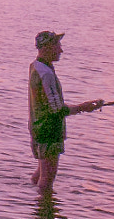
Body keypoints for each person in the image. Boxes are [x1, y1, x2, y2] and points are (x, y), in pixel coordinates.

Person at [29, 30, 102, 195]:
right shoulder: (46, 74)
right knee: (46, 183)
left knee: (39, 175)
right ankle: (43, 216)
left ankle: (30, 208)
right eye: (58, 45)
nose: (61, 50)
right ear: (47, 47)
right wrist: (84, 107)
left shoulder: (35, 66)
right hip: (49, 131)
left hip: (37, 127)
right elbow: (57, 110)